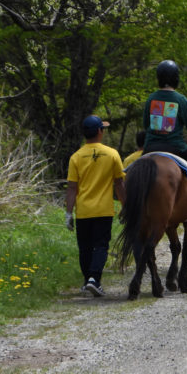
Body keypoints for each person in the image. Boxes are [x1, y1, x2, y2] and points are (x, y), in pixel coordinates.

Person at [142, 59, 187, 217]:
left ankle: (128, 204)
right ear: (176, 78)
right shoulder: (180, 100)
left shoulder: (151, 98)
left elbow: (145, 123)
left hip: (151, 147)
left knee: (134, 169)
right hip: (175, 146)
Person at [65, 115, 126, 297]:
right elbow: (119, 184)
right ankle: (94, 279)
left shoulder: (75, 157)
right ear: (99, 131)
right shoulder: (112, 154)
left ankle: (87, 281)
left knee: (84, 247)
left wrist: (69, 213)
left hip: (83, 211)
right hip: (103, 210)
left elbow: (71, 188)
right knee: (100, 246)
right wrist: (125, 205)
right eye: (103, 129)